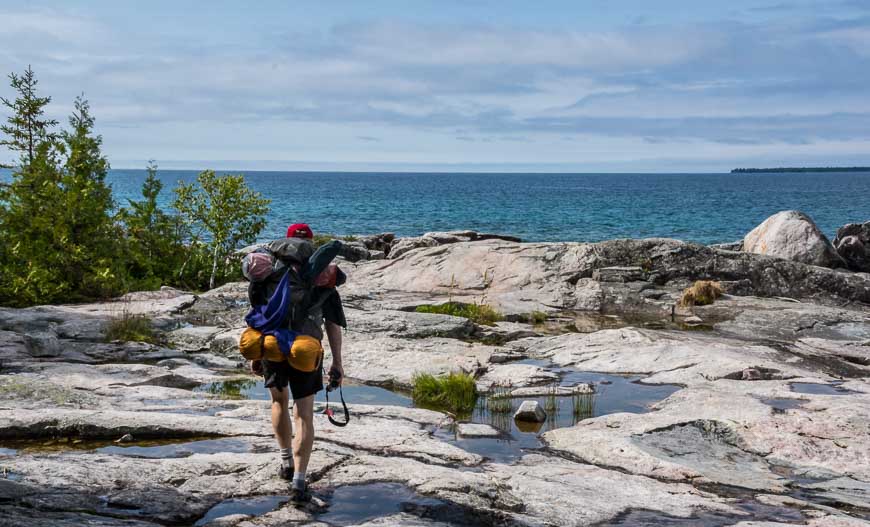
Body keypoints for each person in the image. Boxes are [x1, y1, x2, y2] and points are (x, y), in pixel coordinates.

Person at [248, 222, 348, 503]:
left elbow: (258, 313)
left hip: (272, 345)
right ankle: (299, 480)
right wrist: (337, 363)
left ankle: (285, 461)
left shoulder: (267, 272)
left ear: (286, 241)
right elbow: (332, 324)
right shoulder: (323, 277)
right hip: (307, 348)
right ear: (311, 244)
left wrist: (257, 354)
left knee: (278, 402)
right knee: (303, 413)